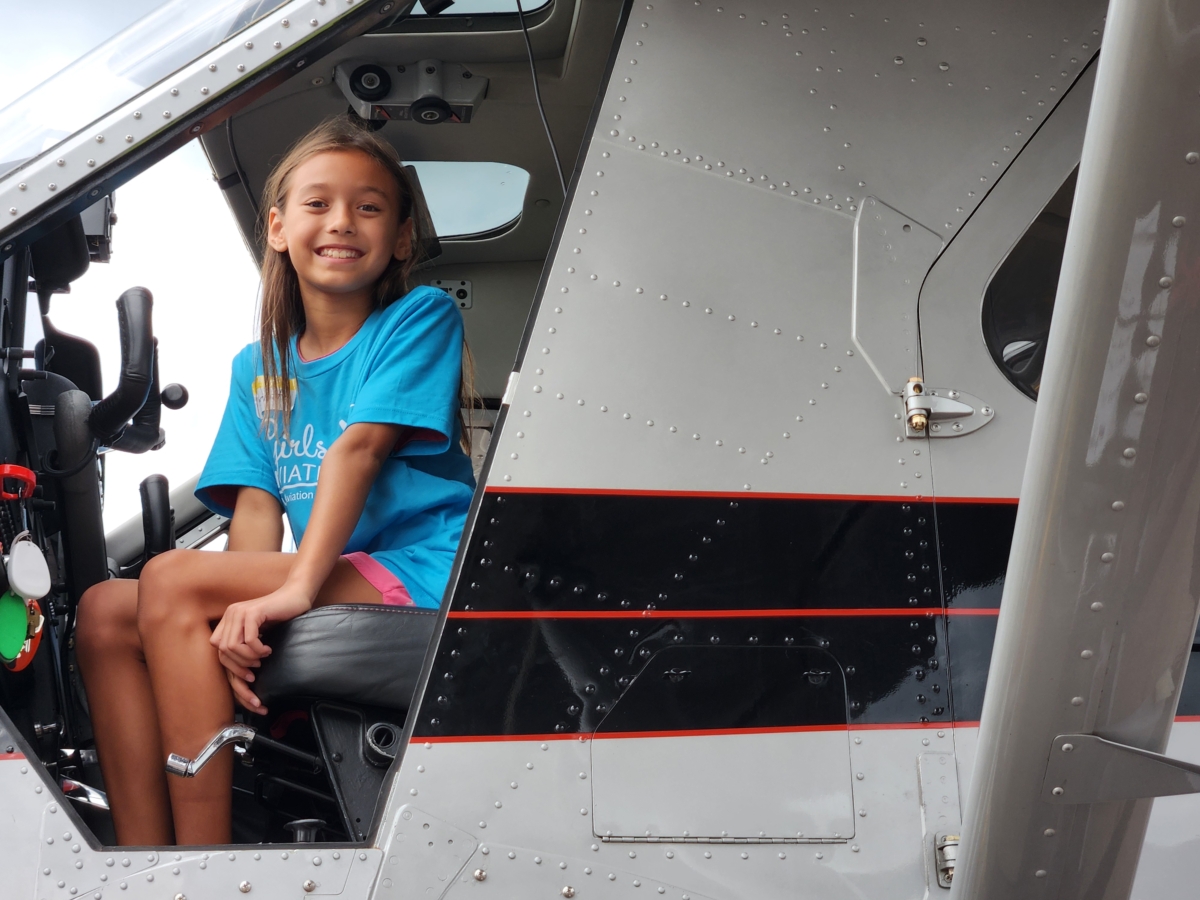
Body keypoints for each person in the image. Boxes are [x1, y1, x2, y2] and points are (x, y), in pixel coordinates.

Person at [75, 116, 476, 846]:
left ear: (402, 238)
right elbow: (255, 514)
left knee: (169, 577)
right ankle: (140, 858)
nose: (342, 222)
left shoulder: (420, 318)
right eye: (318, 204)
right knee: (106, 610)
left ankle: (205, 862)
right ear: (278, 227)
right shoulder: (259, 368)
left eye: (369, 206)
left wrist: (284, 592)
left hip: (427, 571)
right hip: (336, 570)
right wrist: (224, 620)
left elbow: (356, 453)